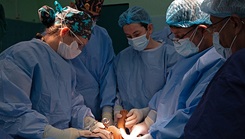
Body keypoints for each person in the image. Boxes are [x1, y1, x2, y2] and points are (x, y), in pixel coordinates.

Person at [0, 3, 112, 139]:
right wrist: (52, 133)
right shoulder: (21, 56)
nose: (80, 51)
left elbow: (73, 104)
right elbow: (11, 112)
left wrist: (89, 122)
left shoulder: (65, 65)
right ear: (64, 32)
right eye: (79, 45)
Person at [119, 0, 226, 138]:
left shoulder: (216, 63)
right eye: (173, 35)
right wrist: (148, 119)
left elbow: (193, 116)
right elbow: (168, 93)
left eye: (180, 35)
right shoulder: (188, 57)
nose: (176, 40)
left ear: (202, 30)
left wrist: (154, 135)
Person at [184, 0, 245, 138]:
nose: (213, 34)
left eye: (215, 27)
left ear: (235, 23)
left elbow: (205, 132)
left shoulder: (238, 66)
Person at [113, 6, 180, 129]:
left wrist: (147, 113)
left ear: (149, 28)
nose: (133, 39)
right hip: (129, 124)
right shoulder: (123, 57)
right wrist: (117, 109)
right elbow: (118, 90)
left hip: (160, 123)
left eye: (136, 34)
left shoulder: (169, 56)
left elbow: (171, 93)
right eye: (128, 36)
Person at [71, 0, 116, 125]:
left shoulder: (101, 35)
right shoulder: (63, 38)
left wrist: (107, 110)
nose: (90, 22)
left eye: (94, 17)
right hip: (67, 110)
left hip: (96, 107)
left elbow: (108, 72)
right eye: (86, 17)